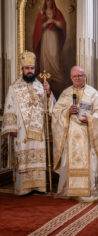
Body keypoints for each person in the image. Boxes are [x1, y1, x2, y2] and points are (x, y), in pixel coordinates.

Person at [52, 66, 98, 202]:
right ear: (71, 78)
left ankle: (87, 192)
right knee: (68, 162)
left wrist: (90, 119)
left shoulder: (92, 93)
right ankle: (68, 191)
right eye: (75, 76)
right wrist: (67, 112)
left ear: (85, 76)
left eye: (80, 75)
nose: (77, 78)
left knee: (89, 163)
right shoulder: (66, 93)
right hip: (70, 135)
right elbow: (55, 113)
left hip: (87, 134)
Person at [1, 51, 55, 196]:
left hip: (38, 131)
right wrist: (11, 127)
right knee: (23, 157)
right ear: (22, 70)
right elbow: (9, 108)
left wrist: (49, 93)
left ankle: (39, 186)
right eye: (27, 68)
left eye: (31, 68)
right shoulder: (14, 88)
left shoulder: (40, 86)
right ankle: (23, 188)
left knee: (38, 155)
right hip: (21, 130)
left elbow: (49, 107)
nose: (29, 71)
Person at [33, 0, 67, 97]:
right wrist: (46, 23)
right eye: (47, 1)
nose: (48, 3)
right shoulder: (41, 13)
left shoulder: (57, 12)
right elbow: (38, 27)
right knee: (45, 55)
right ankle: (45, 74)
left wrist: (54, 22)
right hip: (45, 37)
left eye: (50, 1)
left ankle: (55, 74)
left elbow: (62, 25)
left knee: (54, 55)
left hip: (53, 36)